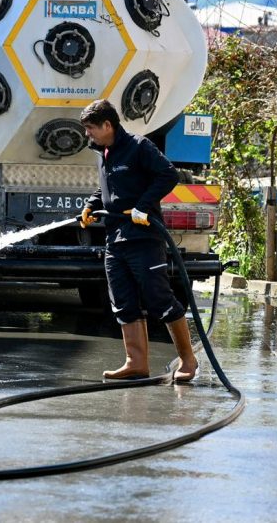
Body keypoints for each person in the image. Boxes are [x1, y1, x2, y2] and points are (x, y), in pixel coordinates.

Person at [78, 99, 199, 382]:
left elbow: (167, 174)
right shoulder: (103, 152)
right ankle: (136, 363)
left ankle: (188, 360)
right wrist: (91, 205)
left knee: (159, 299)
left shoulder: (138, 146)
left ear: (108, 125)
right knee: (123, 301)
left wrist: (143, 206)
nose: (88, 135)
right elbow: (107, 187)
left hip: (143, 238)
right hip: (115, 238)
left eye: (91, 128)